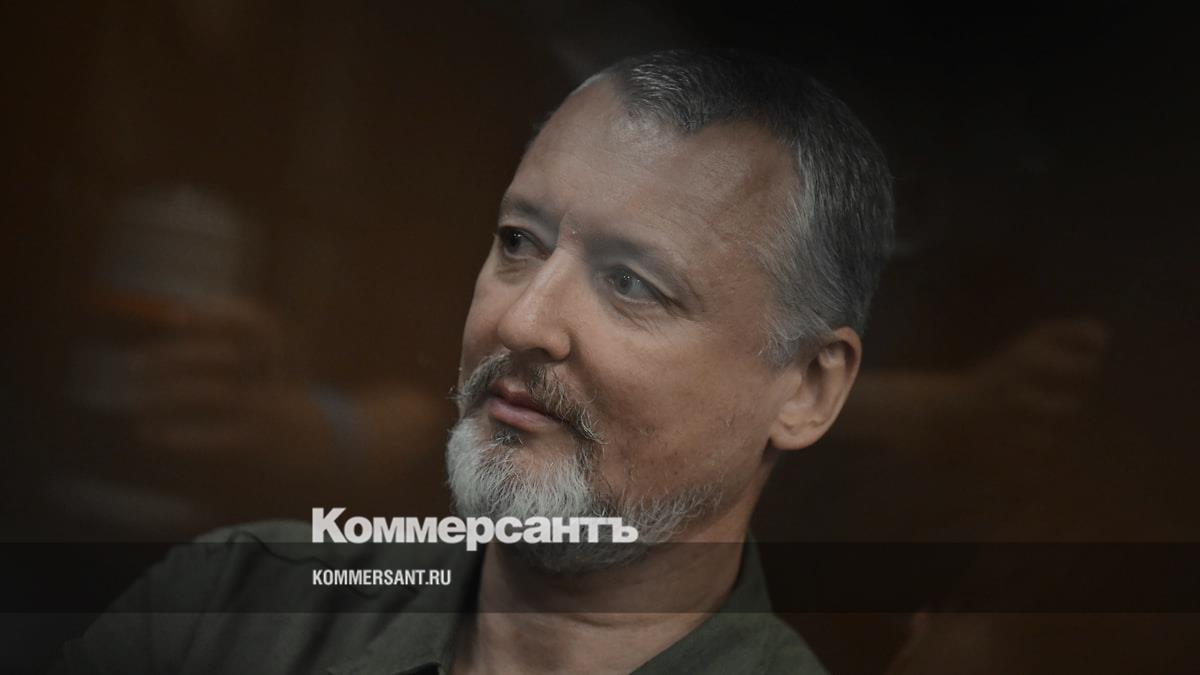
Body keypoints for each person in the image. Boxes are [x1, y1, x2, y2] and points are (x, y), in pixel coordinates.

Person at [57, 48, 893, 674]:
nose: (521, 319)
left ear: (808, 388)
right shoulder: (230, 607)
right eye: (519, 241)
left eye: (631, 283)